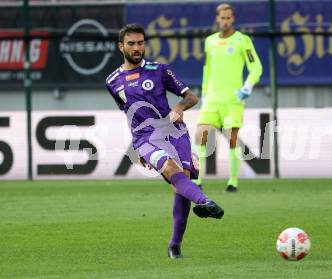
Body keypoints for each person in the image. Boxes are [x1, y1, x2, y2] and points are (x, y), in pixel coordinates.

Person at [105, 23, 224, 259]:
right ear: (121, 47)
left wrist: (180, 106)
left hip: (175, 132)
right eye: (131, 44)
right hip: (146, 138)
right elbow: (128, 112)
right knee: (171, 169)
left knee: (180, 186)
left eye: (140, 43)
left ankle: (175, 245)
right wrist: (137, 146)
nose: (137, 48)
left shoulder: (159, 70)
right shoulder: (112, 81)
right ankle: (205, 200)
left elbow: (191, 96)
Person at [194, 3, 263, 192]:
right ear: (217, 19)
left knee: (232, 137)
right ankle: (197, 181)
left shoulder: (242, 40)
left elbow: (256, 67)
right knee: (201, 135)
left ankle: (233, 182)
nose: (224, 21)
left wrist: (246, 88)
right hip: (212, 99)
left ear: (232, 19)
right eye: (222, 18)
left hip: (233, 99)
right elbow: (207, 68)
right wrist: (204, 90)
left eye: (228, 18)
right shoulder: (210, 41)